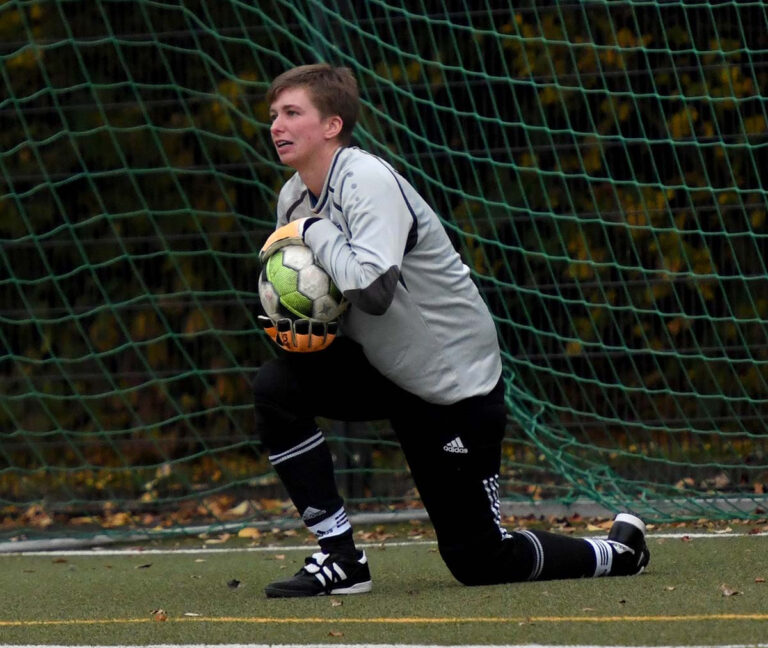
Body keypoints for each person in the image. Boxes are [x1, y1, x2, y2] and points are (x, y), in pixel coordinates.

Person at [252, 63, 650, 598]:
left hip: (453, 383)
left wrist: (316, 231)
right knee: (276, 387)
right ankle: (341, 558)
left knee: (480, 561)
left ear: (332, 125)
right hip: (384, 366)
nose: (276, 124)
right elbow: (338, 300)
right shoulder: (294, 199)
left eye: (292, 113)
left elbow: (373, 290)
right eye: (274, 114)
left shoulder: (364, 179)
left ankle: (617, 552)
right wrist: (302, 327)